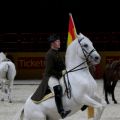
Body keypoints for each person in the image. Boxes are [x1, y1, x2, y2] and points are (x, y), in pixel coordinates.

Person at [31, 34, 71, 119]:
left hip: (58, 74)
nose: (59, 42)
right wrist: (61, 73)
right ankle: (61, 112)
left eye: (59, 41)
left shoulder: (57, 52)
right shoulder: (49, 54)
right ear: (53, 43)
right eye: (57, 41)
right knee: (58, 89)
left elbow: (62, 66)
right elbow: (49, 70)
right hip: (50, 76)